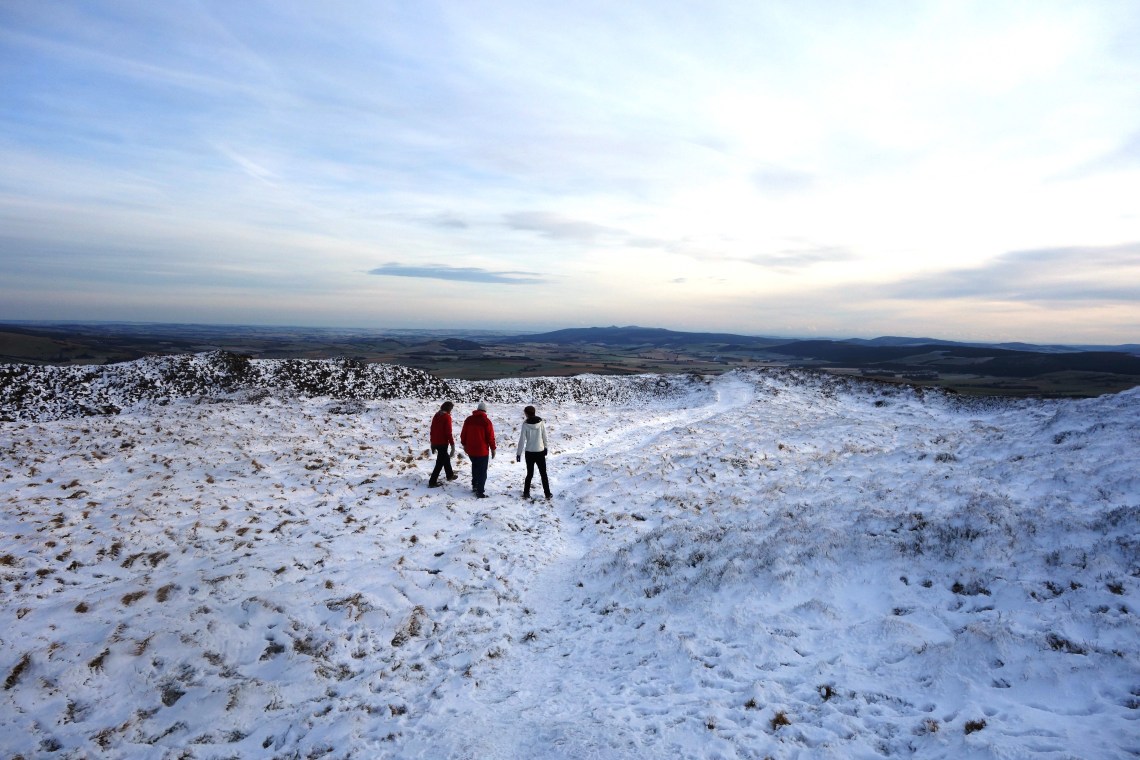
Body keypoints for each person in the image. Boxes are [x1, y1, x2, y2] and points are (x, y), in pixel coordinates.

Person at [515, 405, 553, 500]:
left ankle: (526, 493)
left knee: (530, 474)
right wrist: (546, 447)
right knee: (543, 474)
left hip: (529, 452)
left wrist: (519, 453)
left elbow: (522, 440)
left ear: (527, 413)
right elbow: (545, 436)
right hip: (540, 451)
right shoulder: (541, 422)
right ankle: (547, 494)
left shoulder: (525, 424)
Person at [460, 402, 496, 498]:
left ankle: (474, 485)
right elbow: (490, 437)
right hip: (482, 451)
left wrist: (464, 444)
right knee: (482, 471)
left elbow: (463, 434)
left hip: (471, 450)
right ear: (485, 411)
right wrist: (493, 449)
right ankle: (480, 491)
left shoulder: (469, 419)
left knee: (475, 466)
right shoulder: (486, 421)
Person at [428, 401, 459, 488]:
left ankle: (450, 475)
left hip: (436, 442)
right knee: (439, 463)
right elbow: (448, 433)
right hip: (442, 443)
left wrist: (432, 443)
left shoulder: (436, 415)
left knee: (445, 458)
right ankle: (432, 482)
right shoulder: (447, 417)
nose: (451, 410)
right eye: (451, 409)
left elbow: (432, 429)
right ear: (449, 409)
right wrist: (452, 445)